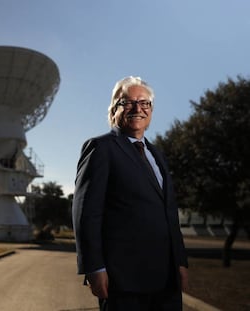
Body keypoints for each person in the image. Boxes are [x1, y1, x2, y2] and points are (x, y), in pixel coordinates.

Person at [72, 76, 188, 311]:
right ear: (113, 109)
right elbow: (86, 213)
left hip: (166, 280)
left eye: (144, 103)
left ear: (151, 110)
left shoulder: (157, 155)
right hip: (123, 280)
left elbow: (169, 213)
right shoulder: (101, 148)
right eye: (128, 102)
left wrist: (181, 262)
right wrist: (94, 267)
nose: (137, 109)